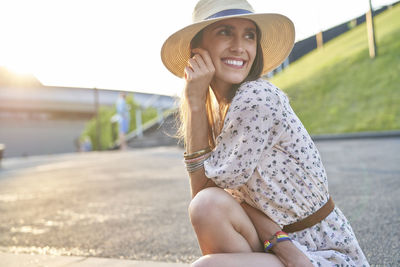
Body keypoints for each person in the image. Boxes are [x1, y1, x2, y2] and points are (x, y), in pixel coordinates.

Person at [161, 0, 370, 266]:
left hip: (323, 251)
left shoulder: (256, 98)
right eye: (225, 32)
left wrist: (194, 100)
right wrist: (195, 103)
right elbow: (207, 201)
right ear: (198, 49)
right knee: (207, 206)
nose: (239, 46)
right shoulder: (222, 113)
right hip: (279, 244)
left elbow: (203, 189)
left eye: (249, 35)